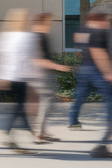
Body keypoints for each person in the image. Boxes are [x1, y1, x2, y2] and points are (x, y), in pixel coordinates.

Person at [68, 11, 112, 158]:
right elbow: (99, 53)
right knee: (109, 99)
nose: (109, 23)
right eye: (107, 20)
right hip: (97, 69)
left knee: (81, 95)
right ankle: (110, 128)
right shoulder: (99, 32)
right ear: (100, 19)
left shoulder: (84, 29)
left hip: (84, 67)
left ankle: (73, 120)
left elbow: (76, 40)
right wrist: (109, 71)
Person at [0, 8, 38, 155]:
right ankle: (12, 135)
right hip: (20, 78)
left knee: (19, 108)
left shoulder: (5, 35)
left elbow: (0, 55)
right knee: (20, 108)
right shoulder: (28, 36)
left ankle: (16, 134)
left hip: (7, 76)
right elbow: (30, 59)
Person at [29, 13, 71, 144]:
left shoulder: (39, 36)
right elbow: (39, 59)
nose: (50, 24)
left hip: (42, 75)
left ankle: (41, 131)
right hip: (43, 75)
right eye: (48, 22)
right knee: (47, 105)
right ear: (42, 22)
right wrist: (59, 67)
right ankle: (39, 133)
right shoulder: (39, 37)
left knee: (46, 104)